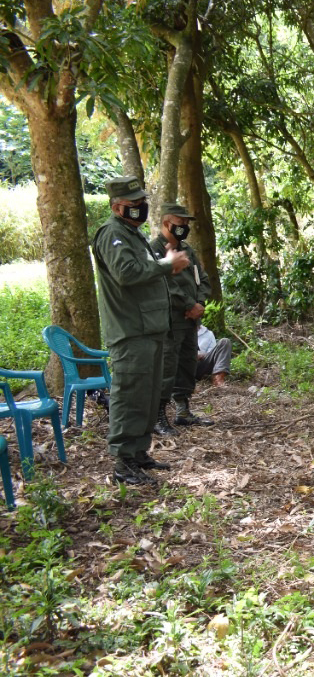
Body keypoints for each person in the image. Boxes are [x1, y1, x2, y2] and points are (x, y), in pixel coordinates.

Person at [91, 175, 191, 485]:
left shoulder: (132, 234)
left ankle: (137, 453)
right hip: (130, 330)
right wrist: (166, 264)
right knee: (130, 395)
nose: (140, 208)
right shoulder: (112, 234)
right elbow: (126, 272)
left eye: (142, 203)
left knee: (148, 396)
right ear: (116, 207)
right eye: (134, 205)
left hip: (150, 328)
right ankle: (123, 463)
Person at [150, 203, 213, 432]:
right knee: (167, 367)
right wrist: (188, 304)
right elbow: (165, 284)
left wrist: (200, 303)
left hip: (190, 320)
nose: (185, 227)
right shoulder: (154, 250)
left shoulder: (188, 250)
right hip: (170, 319)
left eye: (186, 224)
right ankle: (158, 417)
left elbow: (202, 279)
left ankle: (183, 410)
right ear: (167, 223)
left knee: (187, 363)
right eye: (181, 223)